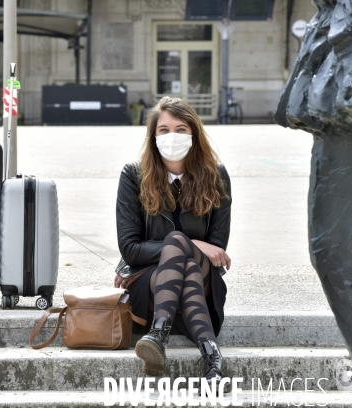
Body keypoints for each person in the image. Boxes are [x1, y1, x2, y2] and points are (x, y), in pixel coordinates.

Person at [114, 96, 232, 392]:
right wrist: (191, 243)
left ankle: (158, 334)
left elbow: (217, 251)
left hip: (204, 283)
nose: (172, 136)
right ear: (153, 138)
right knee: (187, 261)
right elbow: (129, 249)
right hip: (149, 283)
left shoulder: (216, 177)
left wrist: (184, 243)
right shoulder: (133, 176)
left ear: (194, 134)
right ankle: (212, 359)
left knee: (186, 255)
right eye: (164, 130)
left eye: (181, 129)